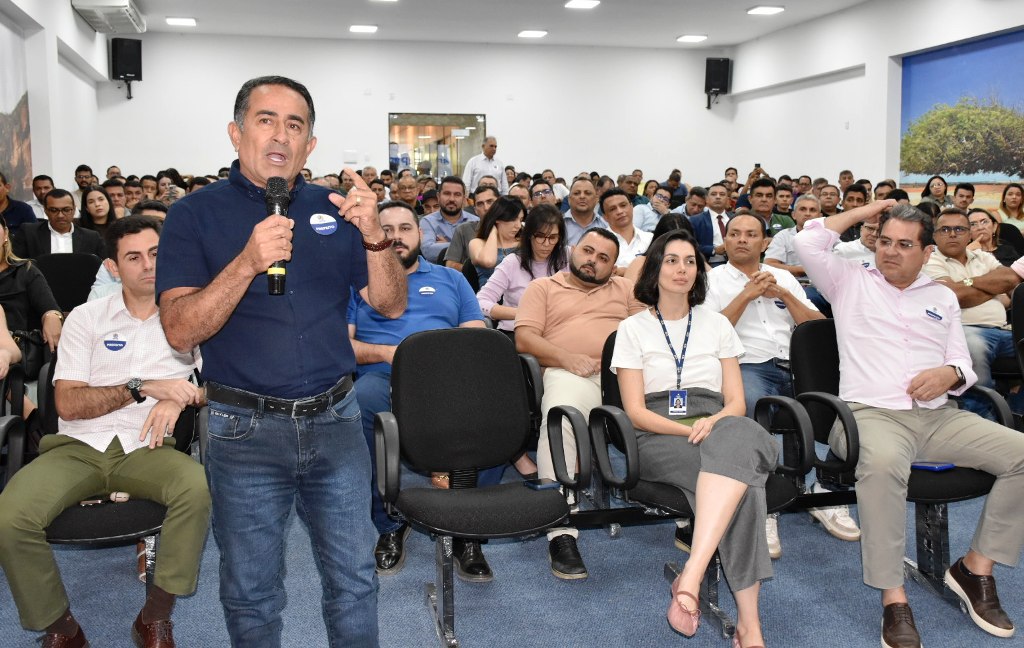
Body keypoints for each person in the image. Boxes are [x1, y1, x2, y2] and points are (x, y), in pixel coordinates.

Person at [156, 75, 407, 648]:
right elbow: (179, 330)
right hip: (244, 429)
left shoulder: (336, 209)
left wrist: (374, 236)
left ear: (310, 144)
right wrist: (247, 261)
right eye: (265, 120)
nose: (280, 135)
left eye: (295, 125)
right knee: (251, 591)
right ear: (236, 132)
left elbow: (391, 305)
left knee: (355, 578)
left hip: (336, 421)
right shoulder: (193, 215)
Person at [794, 200, 1024, 648]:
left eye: (904, 245)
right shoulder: (848, 280)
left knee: (1021, 453)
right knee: (882, 466)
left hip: (938, 416)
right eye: (885, 241)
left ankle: (975, 568)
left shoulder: (941, 296)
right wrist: (871, 208)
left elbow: (962, 361)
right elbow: (809, 240)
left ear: (926, 252)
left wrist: (950, 374)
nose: (890, 252)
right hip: (868, 415)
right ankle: (893, 598)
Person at [0, 215, 210, 648]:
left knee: (197, 488)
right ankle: (61, 627)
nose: (148, 265)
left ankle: (155, 616)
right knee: (10, 516)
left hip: (148, 447)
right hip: (78, 446)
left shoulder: (192, 315)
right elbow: (68, 403)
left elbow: (222, 385)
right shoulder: (86, 318)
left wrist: (182, 395)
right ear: (113, 267)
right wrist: (142, 387)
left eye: (155, 253)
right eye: (133, 257)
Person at [611, 229, 776, 648]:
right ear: (654, 268)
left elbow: (736, 401)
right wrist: (690, 430)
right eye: (671, 260)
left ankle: (691, 575)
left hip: (718, 422)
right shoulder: (631, 329)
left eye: (689, 261)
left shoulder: (717, 323)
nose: (681, 269)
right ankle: (750, 627)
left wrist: (713, 422)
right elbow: (635, 412)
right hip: (658, 432)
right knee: (745, 486)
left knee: (739, 436)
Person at [349, 200, 499, 582]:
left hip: (445, 375)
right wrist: (388, 352)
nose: (396, 237)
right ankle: (389, 523)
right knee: (361, 403)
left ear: (420, 233)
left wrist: (434, 359)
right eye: (386, 230)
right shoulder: (358, 282)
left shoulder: (452, 279)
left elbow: (475, 335)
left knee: (495, 407)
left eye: (405, 228)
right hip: (383, 375)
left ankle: (468, 528)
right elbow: (342, 346)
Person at [515, 228, 645, 580]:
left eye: (604, 258)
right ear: (573, 250)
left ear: (614, 267)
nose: (593, 261)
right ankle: (560, 528)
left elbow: (645, 332)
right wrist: (566, 358)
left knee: (673, 404)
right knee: (562, 416)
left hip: (622, 375)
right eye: (588, 251)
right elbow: (524, 339)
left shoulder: (626, 289)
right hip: (569, 373)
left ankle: (684, 511)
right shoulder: (543, 287)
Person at [477, 203, 568, 336]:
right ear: (529, 235)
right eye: (540, 236)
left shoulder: (567, 257)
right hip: (516, 331)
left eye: (553, 237)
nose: (546, 244)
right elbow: (480, 302)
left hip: (558, 332)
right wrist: (522, 312)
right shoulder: (512, 262)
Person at [12, 188, 105, 259]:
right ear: (45, 211)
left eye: (66, 210)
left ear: (74, 210)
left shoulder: (91, 237)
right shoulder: (29, 233)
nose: (60, 215)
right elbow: (16, 264)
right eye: (54, 210)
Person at [467, 196, 524, 289]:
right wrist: (493, 231)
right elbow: (488, 261)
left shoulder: (524, 243)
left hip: (520, 295)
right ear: (497, 218)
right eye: (513, 219)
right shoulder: (477, 243)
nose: (518, 226)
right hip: (490, 296)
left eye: (520, 220)